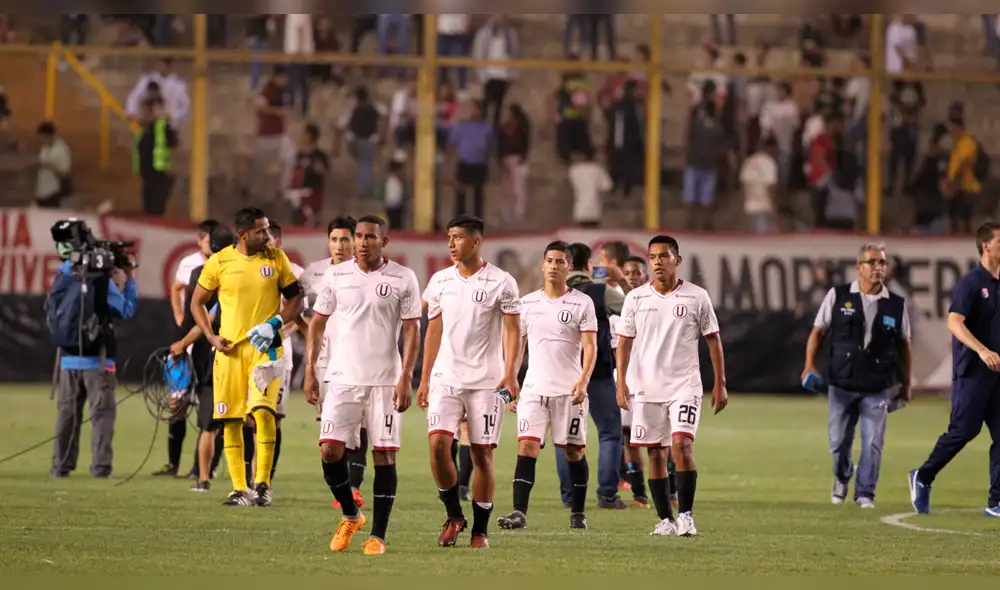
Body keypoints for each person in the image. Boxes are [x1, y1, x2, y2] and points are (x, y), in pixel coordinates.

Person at [304, 215, 421, 555]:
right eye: (358, 236)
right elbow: (316, 325)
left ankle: (378, 536)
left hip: (385, 380)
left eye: (370, 237)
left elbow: (413, 330)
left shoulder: (403, 277)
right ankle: (351, 515)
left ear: (384, 242)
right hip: (341, 378)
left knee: (383, 456)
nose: (361, 242)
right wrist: (311, 370)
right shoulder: (336, 275)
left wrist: (406, 377)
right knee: (329, 449)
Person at [417, 214, 522, 549]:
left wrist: (510, 372)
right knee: (437, 445)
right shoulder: (439, 281)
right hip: (445, 378)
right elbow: (433, 330)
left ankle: (480, 530)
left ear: (476, 241)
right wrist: (423, 377)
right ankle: (453, 515)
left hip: (486, 383)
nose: (451, 243)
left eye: (458, 237)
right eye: (449, 237)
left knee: (481, 456)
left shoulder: (501, 282)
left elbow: (512, 330)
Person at [190, 207, 305, 507]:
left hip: (266, 350)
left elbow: (296, 299)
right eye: (261, 231)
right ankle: (239, 489)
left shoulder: (276, 259)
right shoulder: (220, 262)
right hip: (229, 354)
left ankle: (263, 484)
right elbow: (196, 302)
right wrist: (211, 336)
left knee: (263, 413)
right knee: (230, 420)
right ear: (243, 235)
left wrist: (274, 323)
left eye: (267, 230)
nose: (268, 236)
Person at [615, 235, 728, 536]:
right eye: (652, 257)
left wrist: (720, 382)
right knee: (655, 453)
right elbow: (624, 344)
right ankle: (665, 520)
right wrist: (622, 383)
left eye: (664, 256)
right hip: (647, 386)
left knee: (681, 445)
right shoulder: (636, 298)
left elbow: (713, 340)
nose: (657, 262)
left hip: (684, 385)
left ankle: (687, 516)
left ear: (677, 260)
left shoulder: (696, 296)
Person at [497, 241, 598, 531]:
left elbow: (590, 348)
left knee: (574, 452)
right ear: (542, 266)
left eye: (560, 261)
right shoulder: (526, 304)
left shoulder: (582, 303)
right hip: (534, 390)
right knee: (527, 447)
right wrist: (509, 383)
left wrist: (584, 380)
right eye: (549, 261)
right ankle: (519, 513)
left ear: (569, 267)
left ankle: (578, 512)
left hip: (570, 391)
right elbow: (516, 348)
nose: (554, 266)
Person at [803, 244, 912, 509]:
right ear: (858, 267)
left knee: (873, 441)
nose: (878, 268)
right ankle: (842, 476)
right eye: (872, 262)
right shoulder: (839, 296)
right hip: (842, 383)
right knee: (838, 442)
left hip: (878, 384)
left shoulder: (896, 304)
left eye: (882, 263)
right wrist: (809, 365)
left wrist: (906, 383)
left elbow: (904, 345)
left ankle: (865, 493)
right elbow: (818, 332)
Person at [910, 222, 1000, 517]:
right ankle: (923, 477)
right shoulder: (972, 283)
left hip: (998, 375)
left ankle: (996, 502)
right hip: (973, 373)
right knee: (964, 431)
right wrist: (982, 350)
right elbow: (954, 322)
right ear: (987, 245)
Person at [48, 236, 138, 478]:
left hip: (67, 359)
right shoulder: (102, 282)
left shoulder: (66, 276)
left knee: (67, 416)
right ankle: (100, 467)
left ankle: (61, 465)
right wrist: (128, 280)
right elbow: (125, 309)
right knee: (102, 417)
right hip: (99, 361)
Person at [299, 216, 368, 511]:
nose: (339, 246)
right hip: (327, 361)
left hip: (361, 360)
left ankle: (353, 489)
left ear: (355, 241)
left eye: (344, 239)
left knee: (360, 424)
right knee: (331, 431)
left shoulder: (368, 274)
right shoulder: (313, 274)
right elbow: (292, 306)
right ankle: (342, 487)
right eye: (334, 239)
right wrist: (310, 340)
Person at [555, 243, 629, 510]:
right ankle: (607, 495)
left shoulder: (552, 295)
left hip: (562, 375)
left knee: (564, 437)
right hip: (596, 374)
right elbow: (636, 312)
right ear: (588, 266)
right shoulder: (601, 293)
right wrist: (621, 281)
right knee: (609, 433)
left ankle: (569, 496)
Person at [168, 224, 236, 492]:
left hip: (207, 355)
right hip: (227, 354)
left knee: (209, 422)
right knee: (245, 423)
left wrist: (183, 344)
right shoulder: (236, 272)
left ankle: (203, 477)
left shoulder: (200, 272)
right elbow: (206, 316)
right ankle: (255, 483)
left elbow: (199, 316)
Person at [153, 219, 221, 479]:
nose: (212, 246)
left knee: (211, 409)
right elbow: (176, 287)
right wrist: (179, 316)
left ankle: (202, 469)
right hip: (189, 337)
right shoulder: (190, 265)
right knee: (178, 403)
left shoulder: (223, 265)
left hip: (209, 341)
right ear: (200, 240)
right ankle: (173, 464)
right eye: (208, 241)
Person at [619, 254, 654, 507]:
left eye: (636, 272)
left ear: (646, 275)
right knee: (629, 439)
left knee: (661, 441)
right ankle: (639, 494)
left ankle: (672, 491)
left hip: (653, 381)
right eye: (627, 272)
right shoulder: (615, 301)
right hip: (626, 379)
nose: (632, 277)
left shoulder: (654, 302)